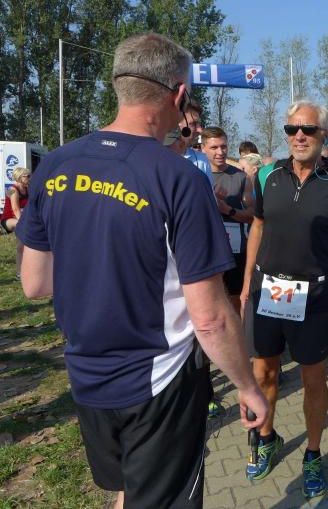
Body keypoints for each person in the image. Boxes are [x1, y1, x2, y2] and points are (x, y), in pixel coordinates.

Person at [15, 32, 267, 509]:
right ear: (178, 95)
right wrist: (247, 386)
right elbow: (210, 319)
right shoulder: (178, 177)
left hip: (87, 373)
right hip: (160, 380)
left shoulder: (56, 165)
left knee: (129, 493)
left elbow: (35, 283)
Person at [240, 100, 328, 498]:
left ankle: (312, 453)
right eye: (292, 129)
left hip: (314, 296)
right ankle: (267, 436)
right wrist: (245, 287)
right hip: (268, 291)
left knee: (313, 379)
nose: (299, 136)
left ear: (324, 135)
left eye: (308, 129)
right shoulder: (267, 176)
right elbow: (257, 228)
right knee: (264, 374)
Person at [201, 126, 254, 313]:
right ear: (203, 148)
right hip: (206, 247)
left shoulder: (241, 177)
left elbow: (253, 216)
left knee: (235, 300)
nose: (220, 152)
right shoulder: (196, 175)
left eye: (223, 147)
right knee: (207, 299)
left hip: (235, 251)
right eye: (214, 147)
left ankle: (238, 331)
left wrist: (226, 209)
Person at [1, 167, 31, 279]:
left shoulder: (28, 189)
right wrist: (25, 222)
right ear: (19, 177)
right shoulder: (13, 190)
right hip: (8, 219)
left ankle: (22, 272)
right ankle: (19, 273)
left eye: (30, 176)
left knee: (21, 246)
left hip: (20, 219)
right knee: (22, 228)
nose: (30, 178)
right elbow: (15, 209)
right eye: (27, 176)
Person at [180, 99, 214, 184]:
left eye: (199, 124)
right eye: (193, 124)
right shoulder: (155, 158)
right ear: (176, 123)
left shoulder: (202, 160)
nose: (200, 130)